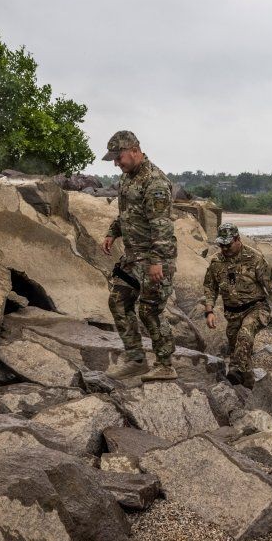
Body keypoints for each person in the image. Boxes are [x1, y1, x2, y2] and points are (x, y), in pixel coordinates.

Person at [101, 130, 178, 381]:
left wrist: (157, 262)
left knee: (150, 310)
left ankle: (165, 363)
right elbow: (127, 214)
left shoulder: (154, 182)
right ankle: (135, 359)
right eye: (113, 159)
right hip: (133, 259)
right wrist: (113, 232)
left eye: (119, 157)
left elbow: (162, 227)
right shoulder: (127, 178)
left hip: (155, 260)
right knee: (118, 301)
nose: (116, 163)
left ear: (134, 150)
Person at [202, 223, 272, 388]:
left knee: (245, 336)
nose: (224, 248)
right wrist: (209, 311)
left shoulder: (254, 258)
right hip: (232, 313)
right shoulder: (216, 261)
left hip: (256, 308)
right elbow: (210, 287)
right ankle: (249, 385)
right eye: (221, 245)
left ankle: (234, 370)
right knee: (241, 350)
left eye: (228, 244)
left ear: (237, 239)